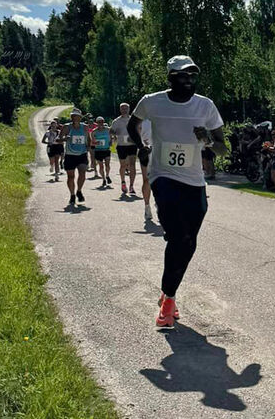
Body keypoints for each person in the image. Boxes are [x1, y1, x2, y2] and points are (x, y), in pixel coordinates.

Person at [126, 55, 227, 329]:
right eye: (183, 76)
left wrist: (206, 139)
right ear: (171, 77)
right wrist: (141, 147)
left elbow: (222, 147)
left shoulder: (205, 105)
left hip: (194, 181)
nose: (189, 80)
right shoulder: (152, 101)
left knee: (188, 241)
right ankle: (169, 301)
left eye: (193, 76)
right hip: (163, 176)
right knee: (178, 236)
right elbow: (131, 124)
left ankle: (167, 291)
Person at [58, 108, 90, 206]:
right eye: (74, 116)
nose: (75, 118)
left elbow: (88, 138)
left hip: (82, 154)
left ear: (80, 117)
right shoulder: (66, 127)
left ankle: (79, 191)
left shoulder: (84, 127)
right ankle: (72, 195)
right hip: (70, 155)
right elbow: (58, 139)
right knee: (71, 177)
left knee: (82, 174)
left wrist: (89, 149)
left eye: (77, 116)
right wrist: (64, 139)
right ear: (71, 117)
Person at [110, 103, 139, 195]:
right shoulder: (116, 121)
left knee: (132, 165)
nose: (124, 110)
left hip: (132, 145)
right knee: (123, 165)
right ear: (120, 110)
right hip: (121, 145)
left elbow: (139, 130)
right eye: (122, 108)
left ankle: (131, 186)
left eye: (126, 108)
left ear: (129, 109)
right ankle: (123, 182)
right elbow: (111, 131)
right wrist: (114, 134)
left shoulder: (133, 120)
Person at [91, 117, 113, 188]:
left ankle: (107, 176)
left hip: (106, 149)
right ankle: (103, 179)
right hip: (98, 150)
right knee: (101, 166)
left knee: (107, 165)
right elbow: (92, 143)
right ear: (96, 123)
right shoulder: (94, 132)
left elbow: (112, 138)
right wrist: (96, 143)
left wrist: (111, 142)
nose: (100, 123)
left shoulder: (108, 129)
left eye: (102, 122)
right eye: (99, 122)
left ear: (103, 122)